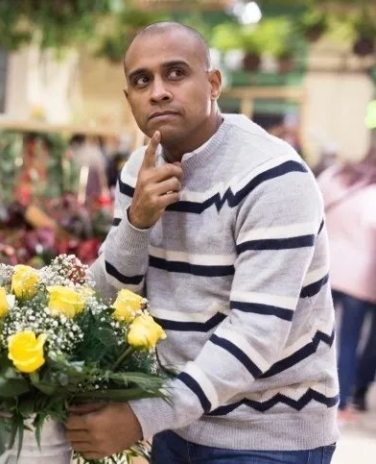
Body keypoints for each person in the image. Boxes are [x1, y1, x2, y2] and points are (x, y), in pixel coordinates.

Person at [68, 22, 338, 463]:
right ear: (129, 99)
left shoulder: (272, 175)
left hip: (268, 436)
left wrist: (140, 417)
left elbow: (256, 332)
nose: (157, 91)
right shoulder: (140, 170)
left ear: (213, 83)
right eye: (142, 80)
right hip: (179, 424)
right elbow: (112, 298)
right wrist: (137, 222)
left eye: (175, 73)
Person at [317, 137, 376, 417]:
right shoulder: (373, 192)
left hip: (325, 265)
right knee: (350, 339)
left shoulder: (335, 175)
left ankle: (312, 390)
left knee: (317, 332)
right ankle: (340, 404)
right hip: (359, 275)